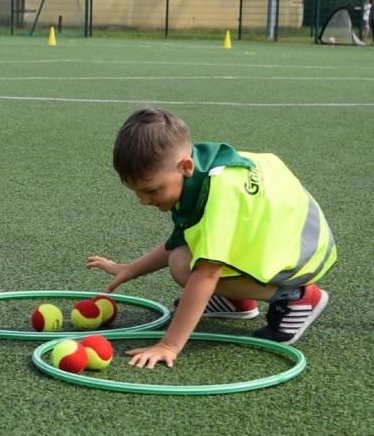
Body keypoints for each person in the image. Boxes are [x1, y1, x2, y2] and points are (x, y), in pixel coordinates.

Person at [86, 108, 336, 369]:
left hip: (302, 251)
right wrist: (130, 269)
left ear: (185, 167)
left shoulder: (220, 197)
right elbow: (180, 240)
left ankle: (297, 296)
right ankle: (237, 301)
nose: (143, 201)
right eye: (136, 192)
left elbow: (206, 276)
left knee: (184, 267)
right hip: (285, 232)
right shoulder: (199, 169)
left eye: (151, 190)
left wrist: (168, 345)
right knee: (186, 254)